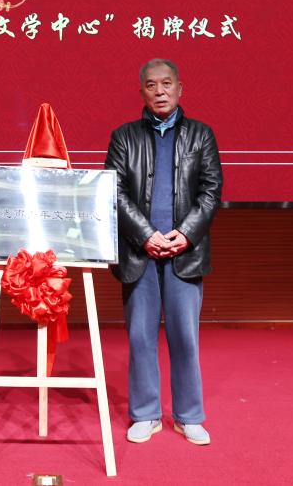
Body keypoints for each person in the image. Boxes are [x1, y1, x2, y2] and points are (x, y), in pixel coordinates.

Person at [104, 58, 223, 446]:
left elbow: (211, 191)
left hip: (185, 253)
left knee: (185, 337)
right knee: (141, 337)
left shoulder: (201, 135)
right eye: (151, 85)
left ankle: (189, 416)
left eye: (166, 83)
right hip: (140, 253)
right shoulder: (124, 137)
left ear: (180, 88)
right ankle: (145, 414)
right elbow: (114, 191)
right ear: (141, 92)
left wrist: (185, 234)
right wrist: (146, 235)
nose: (160, 91)